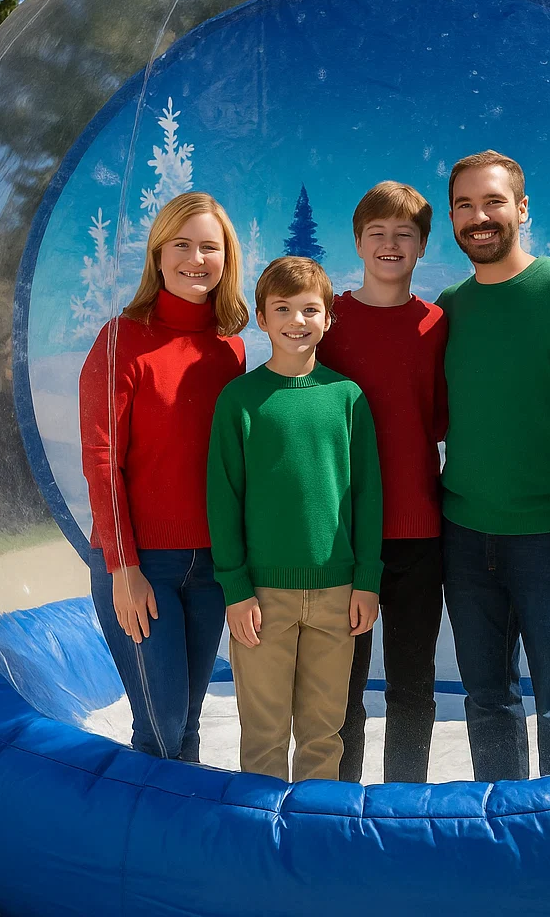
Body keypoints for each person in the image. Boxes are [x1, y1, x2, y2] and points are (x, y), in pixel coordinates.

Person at [437, 150, 550, 781]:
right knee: (487, 698)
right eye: (464, 205)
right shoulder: (451, 307)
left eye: (493, 202)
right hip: (465, 538)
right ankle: (503, 821)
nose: (479, 217)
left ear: (521, 209)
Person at [79, 191, 249, 761]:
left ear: (226, 259)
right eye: (181, 245)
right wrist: (123, 566)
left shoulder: (230, 350)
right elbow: (102, 460)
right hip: (142, 564)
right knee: (161, 724)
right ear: (157, 255)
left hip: (211, 566)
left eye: (210, 247)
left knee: (189, 725)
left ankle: (186, 820)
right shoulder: (121, 339)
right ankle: (136, 822)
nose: (195, 259)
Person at [207, 256, 384, 782]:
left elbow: (367, 496)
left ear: (328, 318)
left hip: (337, 594)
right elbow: (223, 499)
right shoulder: (240, 400)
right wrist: (236, 589)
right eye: (282, 308)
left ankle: (315, 827)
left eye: (309, 309)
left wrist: (367, 581)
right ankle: (261, 830)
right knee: (263, 734)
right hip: (262, 599)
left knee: (323, 733)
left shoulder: (347, 398)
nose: (296, 320)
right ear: (262, 317)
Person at [317, 181, 448, 783]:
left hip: (418, 531)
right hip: (343, 536)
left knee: (412, 685)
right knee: (342, 685)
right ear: (358, 242)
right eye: (378, 233)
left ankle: (405, 800)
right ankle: (340, 800)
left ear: (422, 245)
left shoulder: (437, 325)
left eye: (404, 234)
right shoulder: (329, 322)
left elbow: (441, 418)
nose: (390, 244)